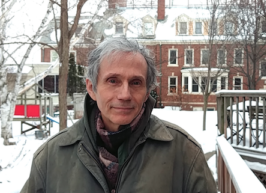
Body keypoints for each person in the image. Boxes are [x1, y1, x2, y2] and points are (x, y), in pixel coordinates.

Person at [21, 38, 217, 193]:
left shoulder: (183, 153)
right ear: (92, 88)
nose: (125, 95)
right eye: (113, 80)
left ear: (147, 91)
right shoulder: (51, 156)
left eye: (136, 82)